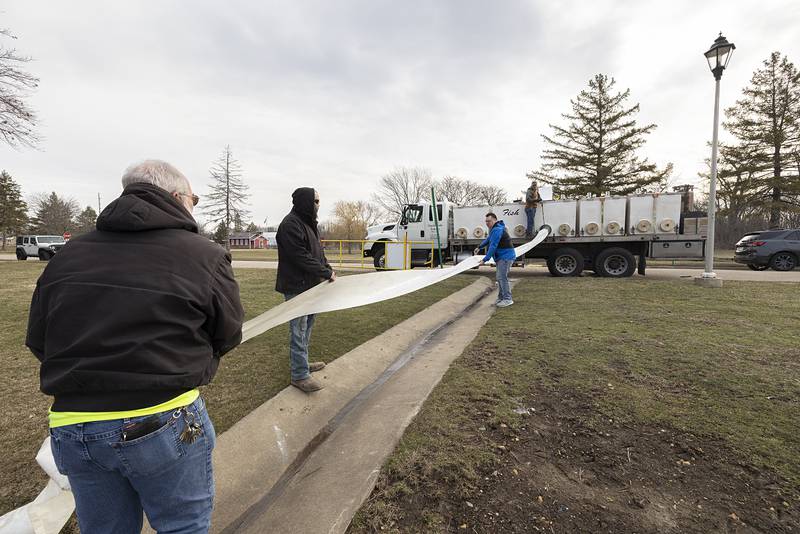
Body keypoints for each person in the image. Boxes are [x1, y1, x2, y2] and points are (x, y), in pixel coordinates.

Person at [26, 160, 244, 534]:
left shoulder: (68, 256)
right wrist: (195, 365)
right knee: (183, 526)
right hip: (164, 417)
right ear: (177, 198)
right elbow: (227, 333)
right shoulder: (203, 254)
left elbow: (39, 339)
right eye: (194, 198)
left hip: (75, 425)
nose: (194, 205)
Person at [276, 187, 336, 393]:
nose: (318, 205)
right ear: (305, 202)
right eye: (316, 201)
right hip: (296, 287)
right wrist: (325, 273)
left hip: (312, 286)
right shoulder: (290, 225)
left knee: (307, 328)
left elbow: (318, 252)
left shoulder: (309, 224)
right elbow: (300, 256)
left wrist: (327, 269)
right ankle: (299, 375)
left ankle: (302, 363)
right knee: (298, 330)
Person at [474, 212, 517, 307]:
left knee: (502, 278)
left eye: (489, 221)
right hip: (502, 257)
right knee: (500, 277)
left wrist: (484, 260)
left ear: (494, 220)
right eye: (486, 221)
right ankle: (501, 298)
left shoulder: (497, 229)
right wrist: (479, 247)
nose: (487, 223)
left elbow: (493, 246)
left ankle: (507, 299)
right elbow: (489, 240)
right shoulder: (495, 229)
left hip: (505, 257)